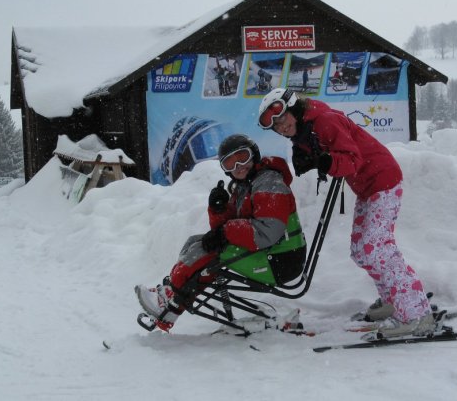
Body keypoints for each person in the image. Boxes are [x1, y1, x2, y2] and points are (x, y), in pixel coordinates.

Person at [257, 88, 434, 337]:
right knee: (363, 251)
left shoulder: (325, 121)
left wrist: (325, 161)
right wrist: (309, 155)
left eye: (281, 118)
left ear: (294, 108)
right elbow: (327, 153)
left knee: (378, 249)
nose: (280, 126)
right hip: (367, 187)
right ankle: (394, 302)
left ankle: (417, 314)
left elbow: (353, 160)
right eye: (274, 126)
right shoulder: (307, 129)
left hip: (382, 179)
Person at [136, 134, 306, 332]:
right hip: (272, 253)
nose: (238, 166)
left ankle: (169, 298)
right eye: (230, 164)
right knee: (197, 243)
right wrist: (219, 209)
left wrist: (224, 232)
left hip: (280, 260)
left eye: (242, 157)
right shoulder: (246, 185)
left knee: (206, 253)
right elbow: (227, 227)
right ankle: (172, 299)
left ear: (255, 155)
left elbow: (267, 232)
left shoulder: (269, 183)